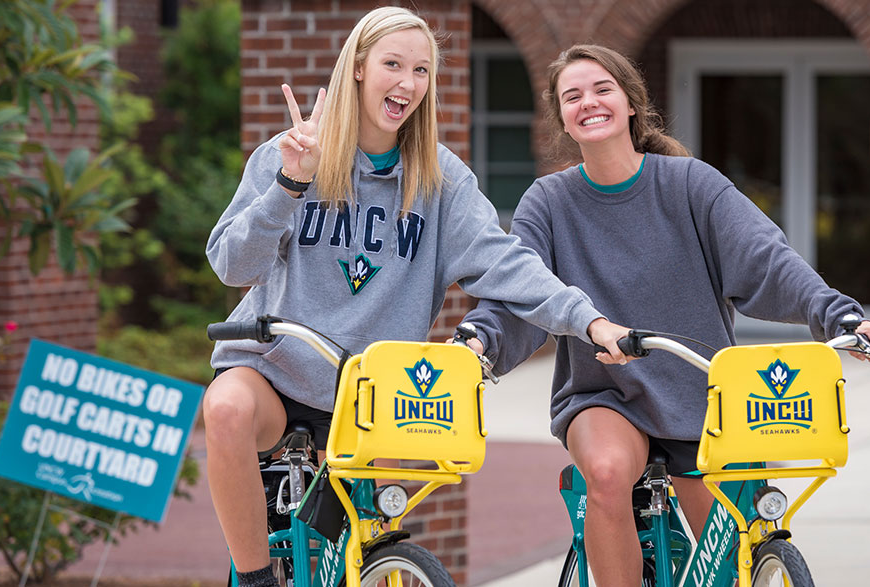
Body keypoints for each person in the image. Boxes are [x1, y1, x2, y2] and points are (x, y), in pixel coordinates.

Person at [203, 12, 628, 587]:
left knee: (363, 539)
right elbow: (233, 266)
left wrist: (589, 321)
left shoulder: (440, 180)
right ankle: (255, 579)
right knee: (225, 408)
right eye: (393, 64)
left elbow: (507, 265)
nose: (407, 82)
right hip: (277, 375)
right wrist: (289, 185)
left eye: (421, 70)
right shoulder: (292, 153)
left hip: (373, 397)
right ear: (358, 68)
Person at [461, 44, 870, 587]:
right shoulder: (548, 202)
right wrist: (481, 341)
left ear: (631, 103)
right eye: (572, 96)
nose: (588, 103)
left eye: (602, 90)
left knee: (736, 547)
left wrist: (839, 317)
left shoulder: (691, 184)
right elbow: (521, 293)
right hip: (604, 391)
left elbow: (767, 259)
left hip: (702, 390)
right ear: (562, 119)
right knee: (609, 473)